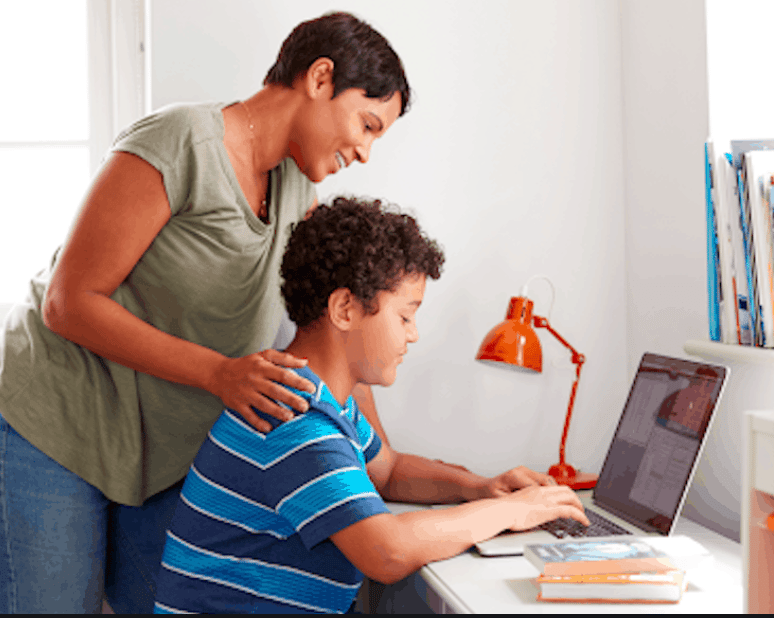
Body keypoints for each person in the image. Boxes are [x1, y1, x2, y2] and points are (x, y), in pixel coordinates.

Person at [0, 12, 410, 614]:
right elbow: (69, 304)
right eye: (367, 124)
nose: (366, 152)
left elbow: (331, 333)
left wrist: (378, 458)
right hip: (60, 421)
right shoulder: (181, 142)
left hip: (158, 447)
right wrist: (221, 374)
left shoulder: (297, 191)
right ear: (320, 78)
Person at [153, 198, 589, 614]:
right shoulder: (294, 419)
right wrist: (512, 510)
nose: (413, 334)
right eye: (404, 316)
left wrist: (480, 487)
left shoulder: (327, 406)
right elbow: (387, 552)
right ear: (345, 308)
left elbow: (388, 470)